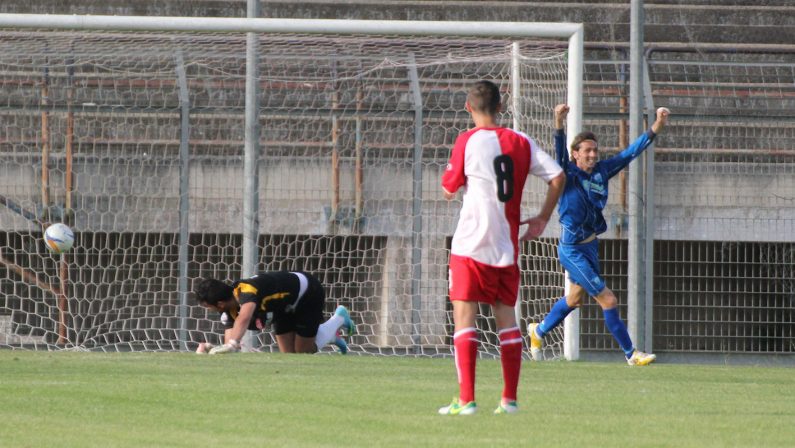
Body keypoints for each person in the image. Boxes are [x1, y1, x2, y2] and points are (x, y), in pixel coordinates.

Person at [438, 80, 565, 416]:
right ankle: (509, 401)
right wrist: (541, 218)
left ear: (468, 107)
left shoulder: (466, 140)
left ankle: (466, 401)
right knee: (506, 318)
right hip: (505, 247)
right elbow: (557, 177)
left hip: (470, 244)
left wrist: (455, 186)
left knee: (465, 316)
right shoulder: (522, 141)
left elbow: (448, 188)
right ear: (501, 106)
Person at [527, 103, 670, 366]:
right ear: (575, 155)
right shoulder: (567, 173)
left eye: (595, 150)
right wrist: (558, 122)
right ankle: (631, 354)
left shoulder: (603, 171)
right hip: (572, 249)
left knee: (574, 298)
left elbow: (630, 153)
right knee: (608, 298)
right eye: (587, 151)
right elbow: (558, 152)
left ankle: (538, 332)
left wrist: (656, 128)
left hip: (591, 246)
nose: (593, 154)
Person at [193, 271, 355, 355]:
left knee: (303, 351)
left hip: (306, 293)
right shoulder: (228, 309)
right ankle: (331, 336)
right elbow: (229, 346)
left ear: (219, 304)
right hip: (282, 306)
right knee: (290, 356)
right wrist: (210, 348)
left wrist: (233, 344)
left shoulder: (246, 291)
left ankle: (339, 318)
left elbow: (244, 318)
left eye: (208, 306)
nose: (209, 310)